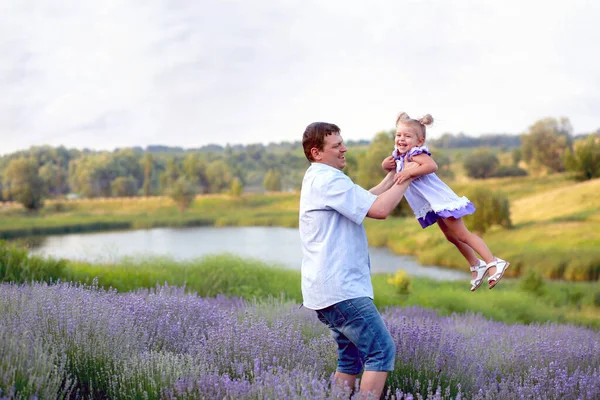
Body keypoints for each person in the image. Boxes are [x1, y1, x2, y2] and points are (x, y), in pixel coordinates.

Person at [299, 122, 413, 399]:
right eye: (336, 145)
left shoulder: (319, 177)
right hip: (341, 288)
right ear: (317, 152)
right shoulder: (329, 179)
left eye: (342, 142)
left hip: (325, 290)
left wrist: (392, 177)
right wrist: (411, 175)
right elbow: (381, 209)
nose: (344, 148)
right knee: (381, 350)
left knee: (349, 359)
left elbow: (362, 200)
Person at [381, 112, 510, 291]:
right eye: (398, 135)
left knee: (463, 234)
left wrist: (409, 172)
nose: (401, 139)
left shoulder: (414, 154)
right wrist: (386, 165)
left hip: (440, 201)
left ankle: (493, 261)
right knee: (451, 236)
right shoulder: (400, 156)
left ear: (419, 141)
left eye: (407, 136)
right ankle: (476, 265)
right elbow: (392, 168)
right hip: (431, 204)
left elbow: (432, 166)